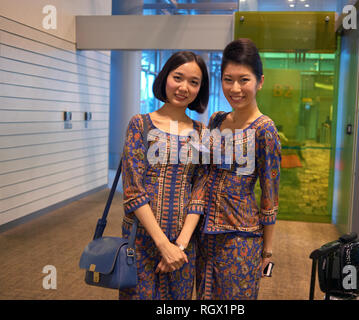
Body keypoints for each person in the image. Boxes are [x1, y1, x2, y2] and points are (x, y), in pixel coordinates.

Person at [191, 38, 281, 300]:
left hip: (241, 238)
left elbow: (270, 194)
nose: (235, 88)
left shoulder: (265, 130)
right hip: (205, 234)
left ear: (260, 81)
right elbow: (204, 172)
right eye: (228, 79)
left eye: (244, 80)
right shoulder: (217, 119)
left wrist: (268, 251)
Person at [120, 51, 209, 300]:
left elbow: (200, 191)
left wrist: (179, 245)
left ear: (200, 89)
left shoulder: (202, 133)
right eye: (178, 77)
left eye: (194, 82)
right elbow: (133, 190)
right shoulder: (140, 125)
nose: (184, 87)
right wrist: (163, 245)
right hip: (141, 239)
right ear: (164, 78)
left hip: (183, 244)